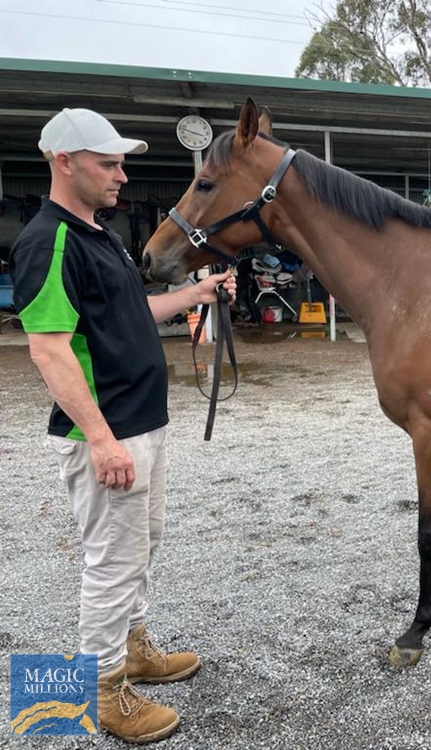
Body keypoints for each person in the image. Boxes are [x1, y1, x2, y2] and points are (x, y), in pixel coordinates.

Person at [10, 108, 235, 744]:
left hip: (142, 422)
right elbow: (49, 350)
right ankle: (103, 690)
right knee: (112, 561)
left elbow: (131, 311)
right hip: (109, 433)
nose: (121, 174)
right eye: (108, 163)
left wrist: (195, 295)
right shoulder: (47, 242)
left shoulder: (98, 233)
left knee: (141, 545)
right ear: (65, 163)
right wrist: (102, 440)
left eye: (120, 163)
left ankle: (133, 649)